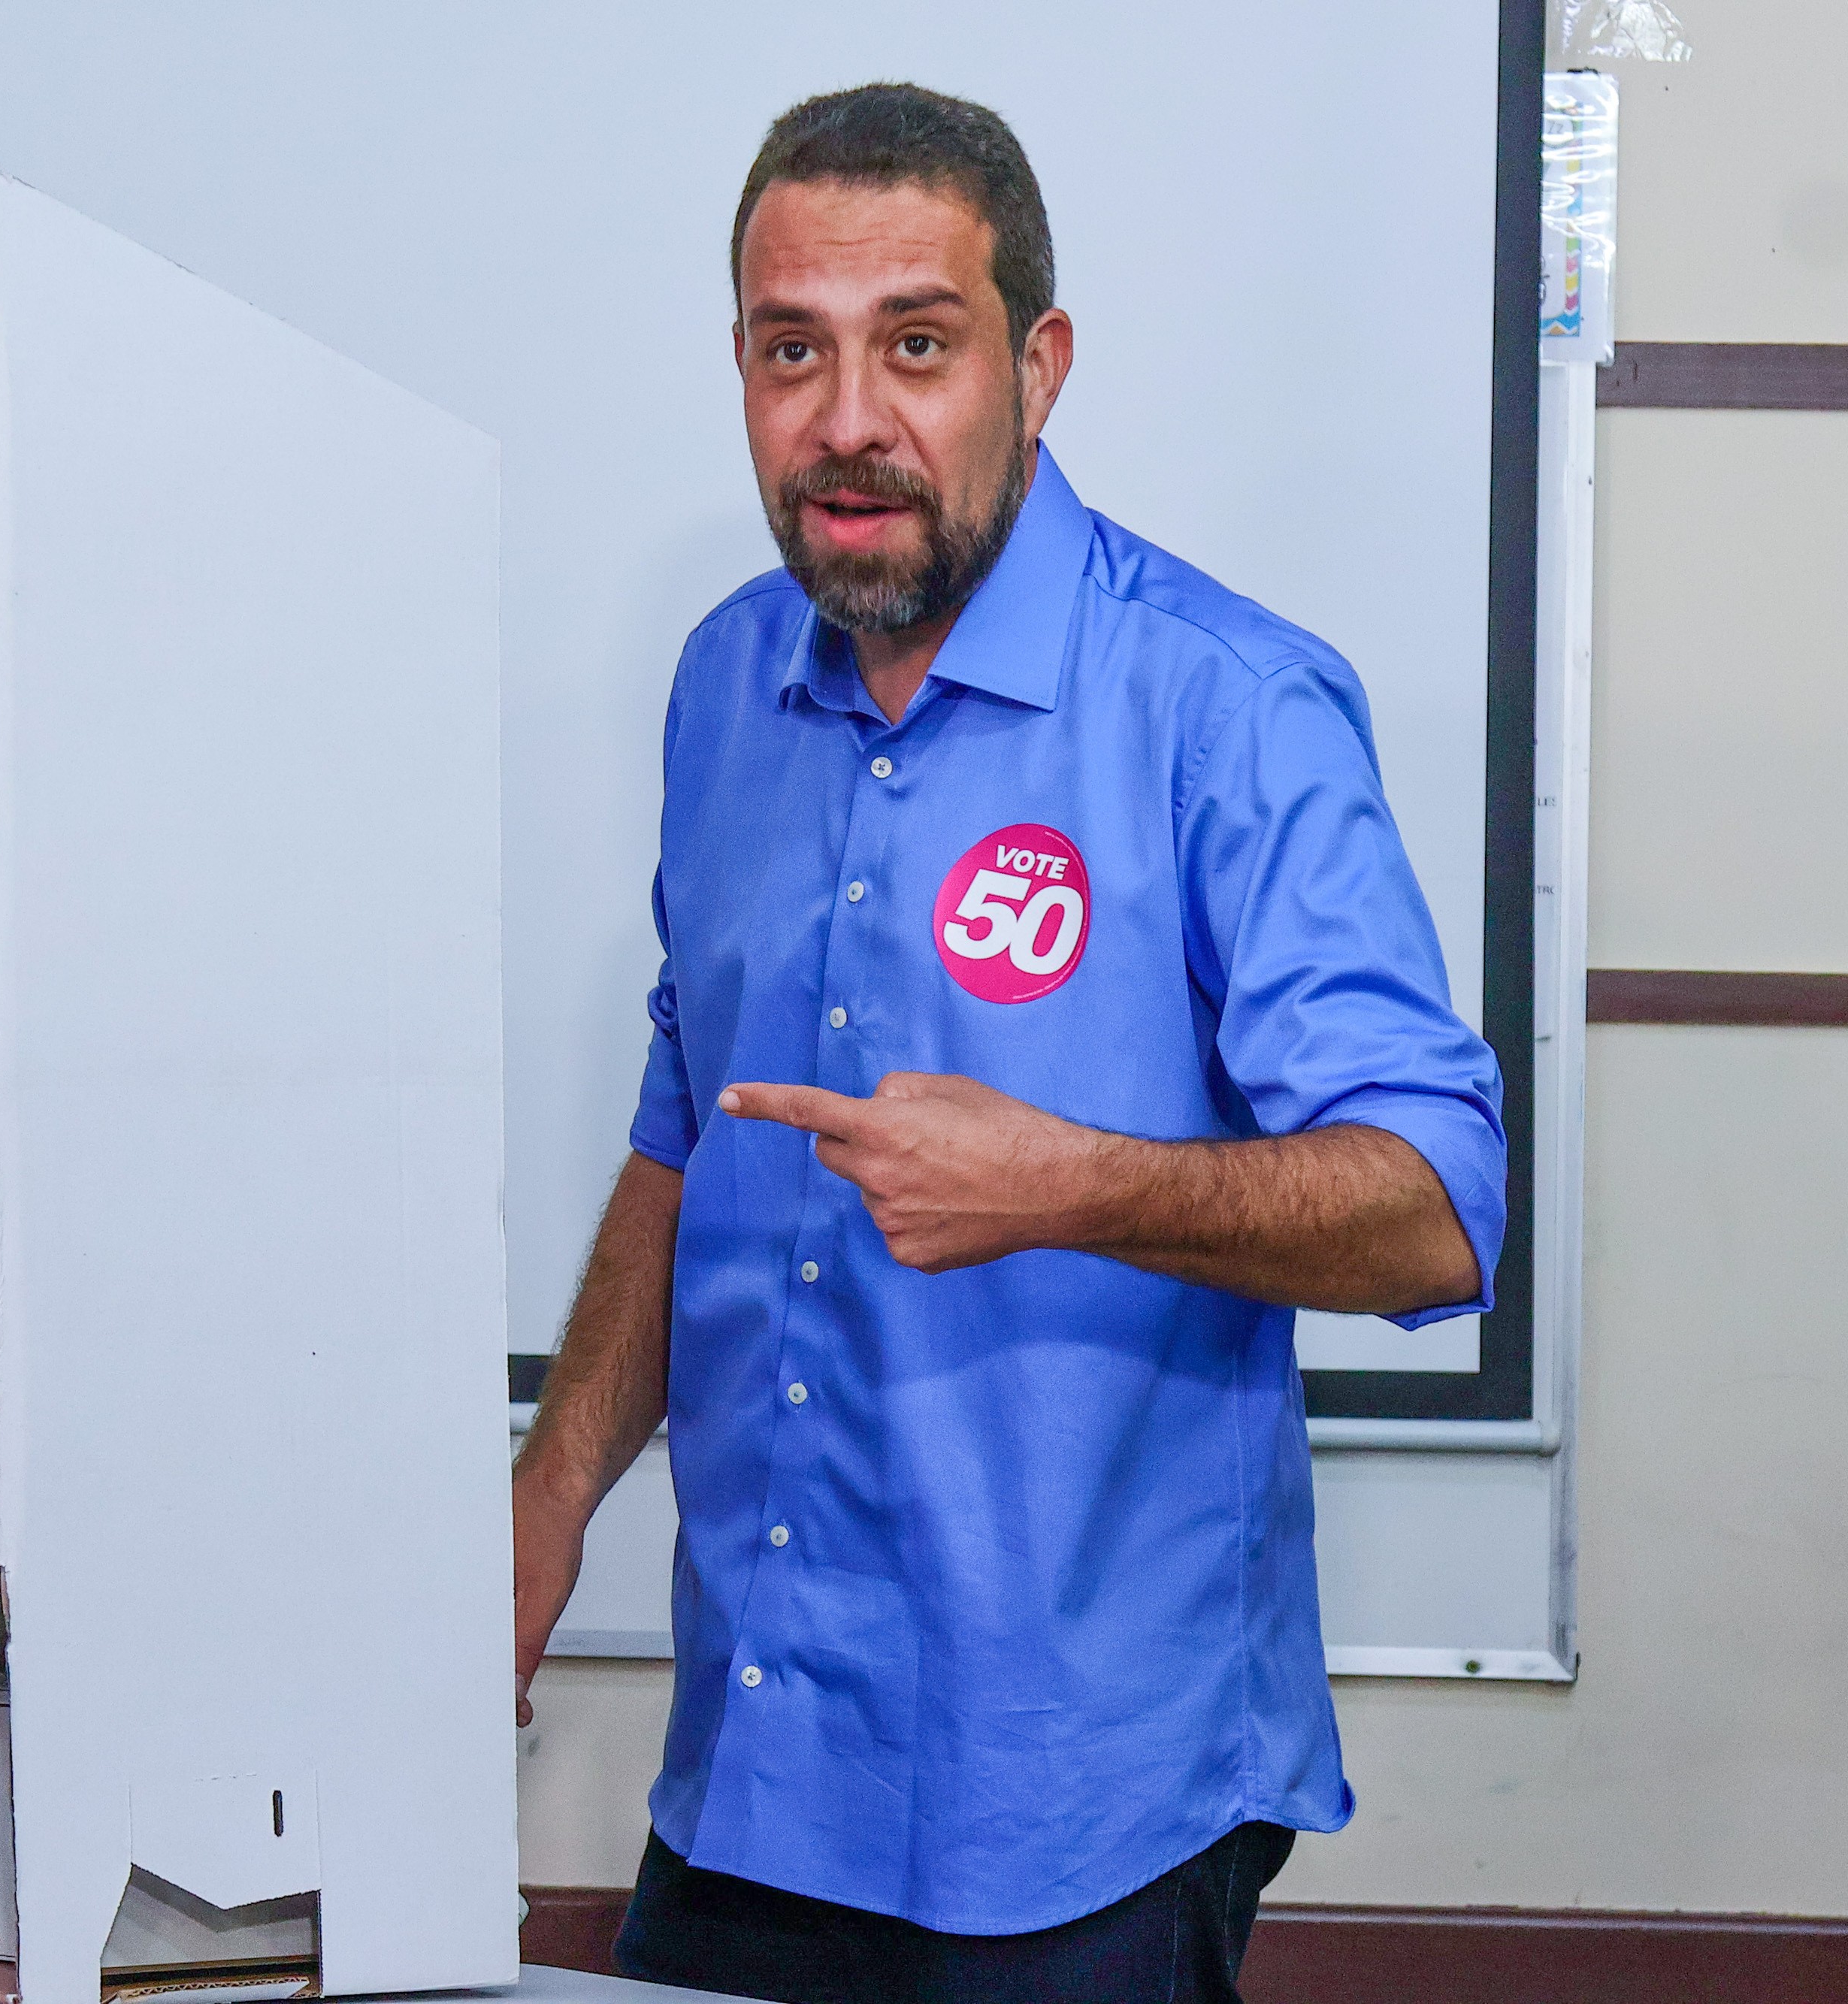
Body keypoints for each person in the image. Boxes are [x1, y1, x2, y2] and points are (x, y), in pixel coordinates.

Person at [509, 83, 1506, 2004]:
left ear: (1035, 365)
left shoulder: (1224, 706)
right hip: (756, 1764)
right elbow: (683, 1123)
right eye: (791, 351)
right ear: (738, 366)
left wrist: (1069, 1183)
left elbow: (1438, 1204)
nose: (848, 420)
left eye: (917, 345)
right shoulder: (726, 678)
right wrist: (549, 1496)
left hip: (1081, 1806)